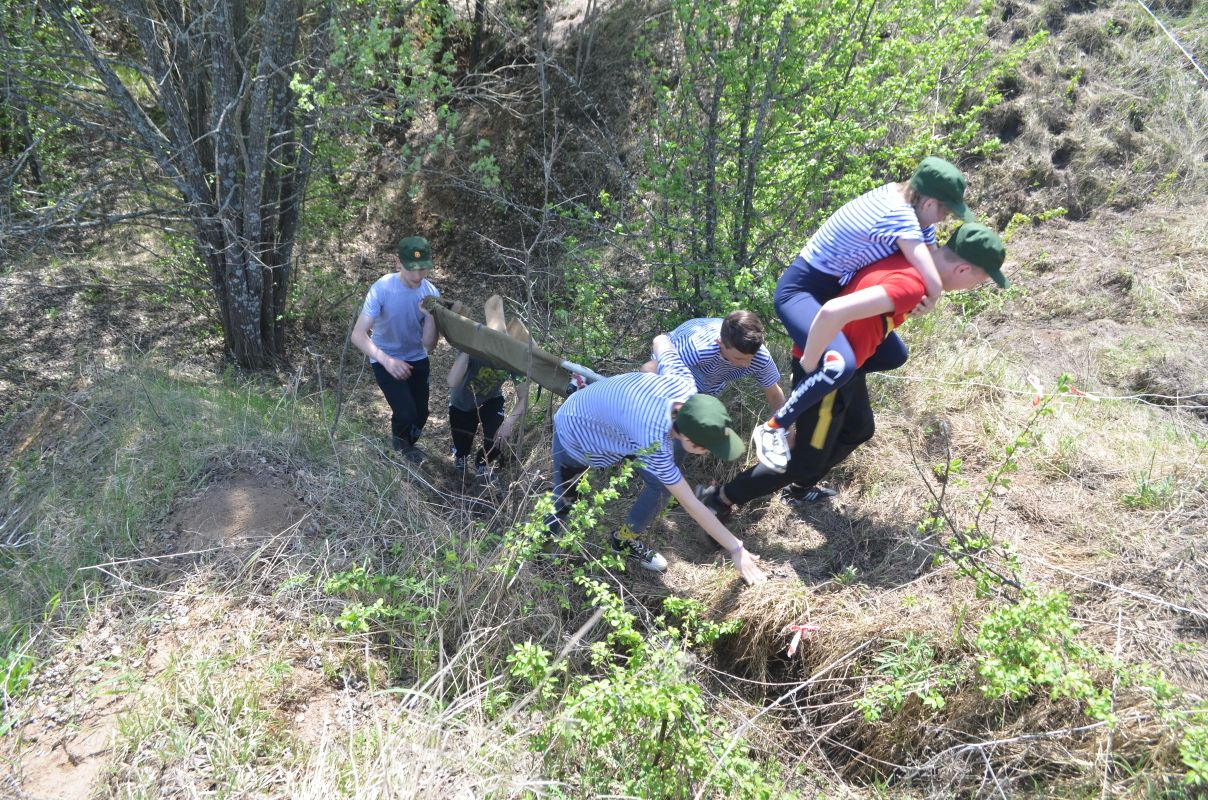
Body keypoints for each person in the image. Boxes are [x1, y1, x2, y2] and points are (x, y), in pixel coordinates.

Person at [699, 223, 1008, 517]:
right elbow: (834, 311)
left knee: (860, 429)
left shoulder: (913, 254)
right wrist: (809, 365)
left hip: (848, 364)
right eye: (979, 281)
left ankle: (800, 486)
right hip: (828, 370)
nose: (973, 287)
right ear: (963, 269)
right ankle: (721, 497)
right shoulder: (912, 283)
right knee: (805, 460)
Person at [752, 157, 980, 472]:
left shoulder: (905, 203)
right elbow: (933, 279)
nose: (943, 219)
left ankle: (824, 374)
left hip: (827, 291)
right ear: (928, 201)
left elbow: (927, 256)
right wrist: (933, 295)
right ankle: (774, 427)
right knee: (842, 365)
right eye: (944, 210)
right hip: (802, 291)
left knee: (892, 353)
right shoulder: (898, 214)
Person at [548, 335, 767, 585]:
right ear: (687, 438)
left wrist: (648, 378)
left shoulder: (685, 385)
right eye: (707, 448)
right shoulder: (653, 442)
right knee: (565, 501)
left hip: (616, 424)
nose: (709, 452)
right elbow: (692, 504)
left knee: (662, 486)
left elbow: (661, 339)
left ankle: (624, 540)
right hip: (576, 434)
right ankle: (541, 554)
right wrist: (736, 548)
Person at [351, 236, 440, 464]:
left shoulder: (431, 294)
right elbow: (358, 335)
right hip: (384, 358)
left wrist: (430, 316)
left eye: (423, 269)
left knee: (421, 415)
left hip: (417, 358)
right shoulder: (382, 288)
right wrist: (388, 361)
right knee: (406, 413)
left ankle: (406, 447)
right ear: (397, 262)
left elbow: (429, 345)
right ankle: (400, 453)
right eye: (412, 269)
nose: (417, 276)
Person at [447, 296, 532, 485]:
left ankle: (482, 464)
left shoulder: (511, 359)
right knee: (462, 445)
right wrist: (469, 349)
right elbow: (452, 382)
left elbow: (524, 397)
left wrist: (509, 421)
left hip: (490, 400)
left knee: (499, 437)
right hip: (462, 403)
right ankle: (460, 455)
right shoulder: (475, 352)